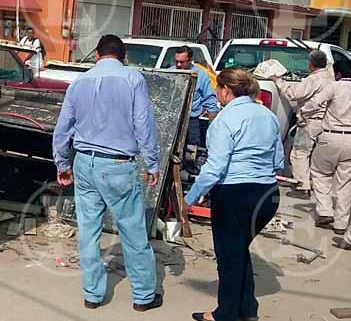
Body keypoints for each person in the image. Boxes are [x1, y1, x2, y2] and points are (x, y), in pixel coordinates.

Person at [52, 34, 163, 312]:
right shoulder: (133, 79)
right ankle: (143, 297)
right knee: (132, 230)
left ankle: (92, 294)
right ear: (123, 57)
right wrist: (152, 163)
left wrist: (62, 164)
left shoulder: (79, 82)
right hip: (117, 164)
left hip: (84, 163)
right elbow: (143, 124)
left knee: (88, 232)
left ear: (98, 55)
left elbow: (63, 127)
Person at [184, 68, 283, 321]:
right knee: (238, 250)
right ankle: (247, 309)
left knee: (229, 257)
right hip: (267, 194)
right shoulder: (267, 115)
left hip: (235, 194)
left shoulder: (224, 120)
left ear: (226, 90)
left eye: (218, 89)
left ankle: (225, 313)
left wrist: (190, 197)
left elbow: (214, 167)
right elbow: (278, 160)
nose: (217, 94)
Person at [269, 50, 335, 200]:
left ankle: (302, 186)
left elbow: (295, 94)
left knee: (300, 153)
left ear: (311, 65)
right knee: (316, 156)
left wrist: (278, 81)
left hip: (310, 122)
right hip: (327, 124)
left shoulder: (313, 79)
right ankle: (313, 184)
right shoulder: (331, 77)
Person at [302, 60, 351, 250]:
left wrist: (303, 115)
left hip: (330, 137)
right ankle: (341, 223)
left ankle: (324, 211)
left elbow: (314, 103)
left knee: (320, 173)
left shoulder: (335, 87)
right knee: (346, 182)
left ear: (338, 73)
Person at [173, 46, 219, 148]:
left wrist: (213, 127)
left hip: (191, 121)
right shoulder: (170, 73)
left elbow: (210, 100)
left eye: (182, 62)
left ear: (190, 60)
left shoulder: (201, 75)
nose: (178, 65)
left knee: (191, 152)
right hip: (172, 120)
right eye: (176, 62)